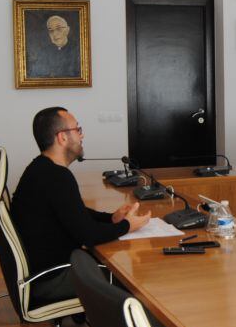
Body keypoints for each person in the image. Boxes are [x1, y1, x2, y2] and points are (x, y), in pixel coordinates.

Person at [11, 106, 150, 282]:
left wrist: (111, 218)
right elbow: (89, 235)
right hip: (54, 276)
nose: (82, 135)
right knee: (128, 280)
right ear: (62, 137)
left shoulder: (41, 168)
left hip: (50, 267)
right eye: (77, 129)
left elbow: (74, 213)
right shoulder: (56, 177)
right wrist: (127, 226)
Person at [25, 14, 82, 79]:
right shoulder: (44, 52)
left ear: (67, 30)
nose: (54, 34)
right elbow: (35, 73)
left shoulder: (78, 49)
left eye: (58, 29)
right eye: (51, 31)